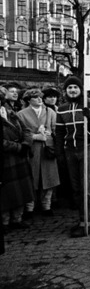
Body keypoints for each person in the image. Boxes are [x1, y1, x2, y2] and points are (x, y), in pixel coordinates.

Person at [55, 76, 90, 238]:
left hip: (87, 148)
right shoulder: (62, 108)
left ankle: (89, 222)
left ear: (81, 89)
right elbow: (59, 132)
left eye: (75, 87)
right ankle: (82, 220)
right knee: (76, 188)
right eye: (69, 88)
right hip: (70, 151)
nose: (73, 90)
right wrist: (59, 152)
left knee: (87, 188)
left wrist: (89, 116)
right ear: (65, 91)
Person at [17, 88, 60, 218]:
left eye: (40, 97)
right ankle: (30, 207)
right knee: (31, 177)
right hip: (32, 149)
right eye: (36, 97)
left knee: (49, 178)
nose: (40, 99)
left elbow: (56, 128)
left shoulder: (50, 111)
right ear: (28, 100)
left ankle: (47, 205)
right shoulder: (21, 114)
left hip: (48, 148)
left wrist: (51, 134)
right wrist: (34, 137)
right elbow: (20, 132)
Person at [0, 86, 35, 231]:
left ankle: (17, 219)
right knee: (6, 193)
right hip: (5, 159)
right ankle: (5, 222)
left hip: (19, 158)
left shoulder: (9, 112)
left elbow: (26, 129)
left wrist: (26, 143)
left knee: (20, 190)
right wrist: (19, 147)